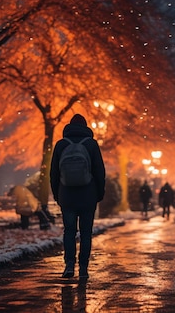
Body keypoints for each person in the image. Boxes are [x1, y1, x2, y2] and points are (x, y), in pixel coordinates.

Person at [50, 114, 106, 280]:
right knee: (86, 233)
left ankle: (68, 264)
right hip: (88, 195)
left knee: (69, 231)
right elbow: (99, 172)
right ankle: (83, 268)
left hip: (66, 195)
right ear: (86, 127)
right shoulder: (91, 144)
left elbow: (53, 173)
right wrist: (99, 194)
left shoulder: (60, 145)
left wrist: (57, 194)